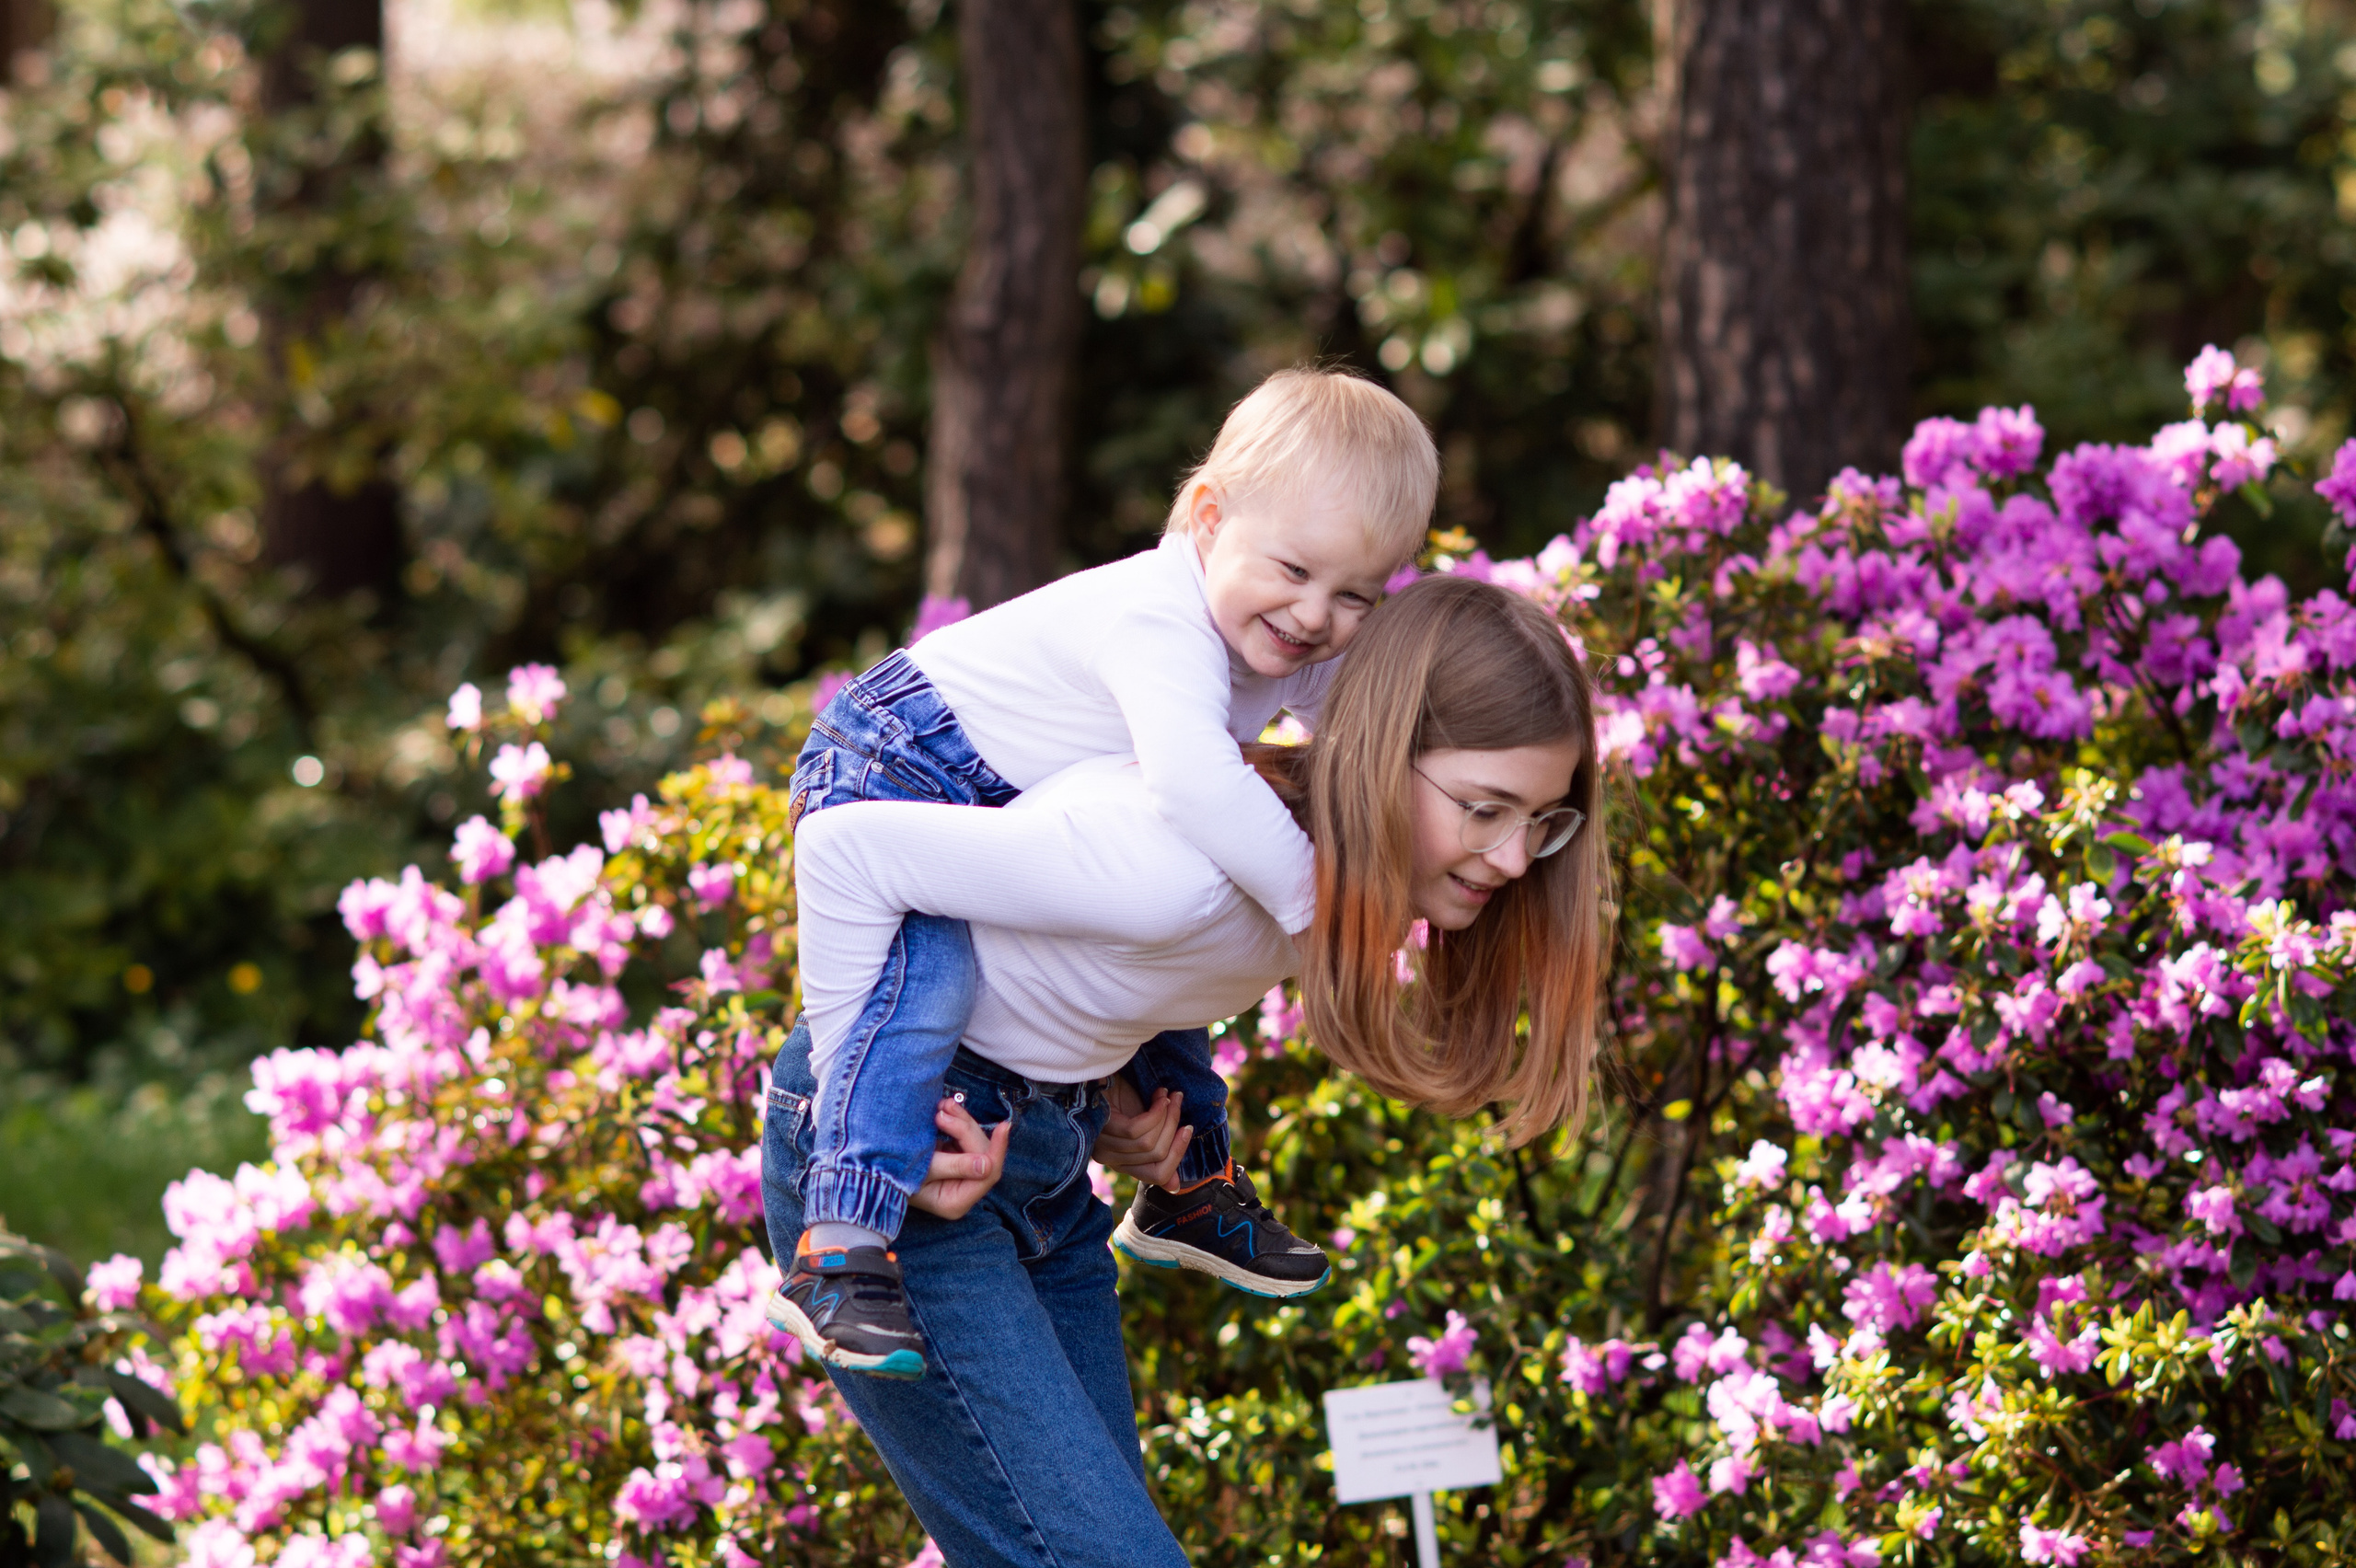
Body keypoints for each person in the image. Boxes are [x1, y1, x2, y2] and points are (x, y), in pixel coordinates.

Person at [761, 575, 1609, 1565]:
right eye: (1484, 809)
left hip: (1042, 1167)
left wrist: (1109, 1098)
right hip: (916, 1179)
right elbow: (847, 851)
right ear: (1378, 752)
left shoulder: (1317, 883)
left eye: (1543, 821)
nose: (1514, 860)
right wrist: (882, 1126)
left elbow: (1070, 972)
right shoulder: (1177, 866)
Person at [774, 368, 1440, 1379]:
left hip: (1011, 799)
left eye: (1356, 594)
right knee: (926, 988)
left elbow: (1374, 719)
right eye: (1296, 571)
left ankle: (1189, 1188)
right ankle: (840, 1241)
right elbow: (1195, 785)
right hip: (895, 763)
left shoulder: (1277, 628)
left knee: (1168, 971)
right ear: (1211, 519)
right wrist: (1323, 909)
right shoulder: (1157, 616)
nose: (1315, 616)